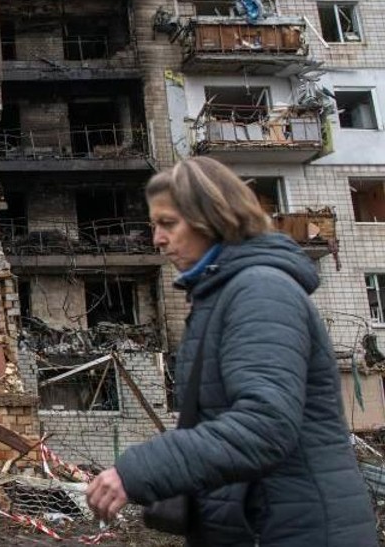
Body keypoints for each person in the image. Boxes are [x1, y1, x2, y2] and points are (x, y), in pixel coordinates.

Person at [84, 157, 376, 546]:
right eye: (155, 225)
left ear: (213, 219)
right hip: (258, 525)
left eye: (169, 224)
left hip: (295, 529)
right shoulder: (219, 296)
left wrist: (138, 470)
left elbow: (264, 425)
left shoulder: (260, 291)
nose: (157, 238)